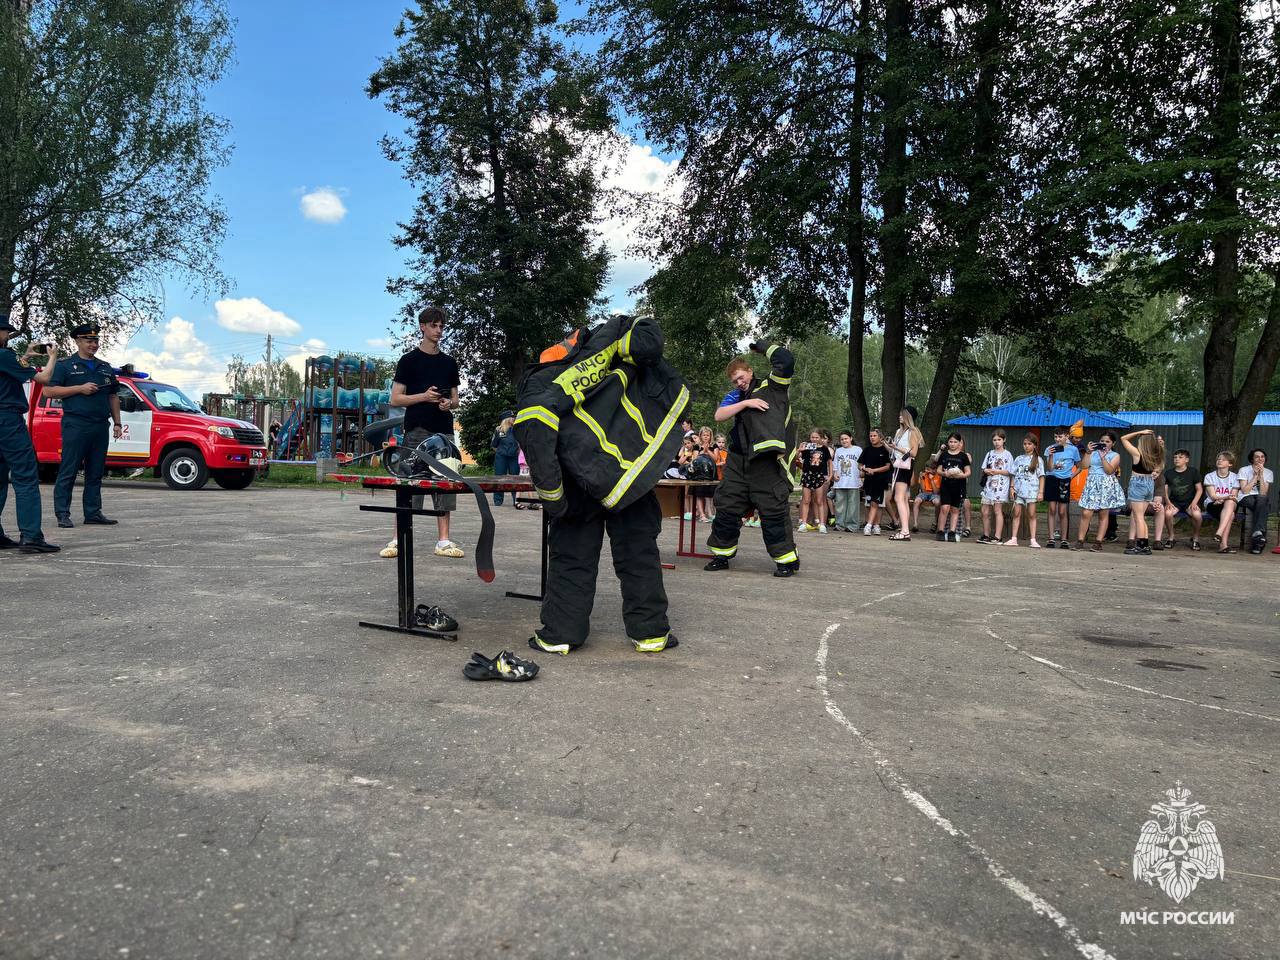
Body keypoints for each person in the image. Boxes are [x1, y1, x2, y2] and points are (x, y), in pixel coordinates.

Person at [516, 313, 687, 654]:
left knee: (572, 557)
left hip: (578, 481)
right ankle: (650, 634)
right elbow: (649, 341)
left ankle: (560, 635)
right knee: (637, 553)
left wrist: (554, 498)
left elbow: (535, 435)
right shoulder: (610, 349)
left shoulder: (541, 379)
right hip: (628, 476)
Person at [704, 342, 799, 577]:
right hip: (738, 461)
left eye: (740, 377)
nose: (739, 382)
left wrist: (764, 347)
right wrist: (745, 402)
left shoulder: (772, 386)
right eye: (735, 381)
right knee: (726, 505)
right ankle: (721, 555)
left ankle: (786, 560)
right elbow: (719, 415)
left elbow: (785, 361)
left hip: (764, 462)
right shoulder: (735, 396)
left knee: (773, 510)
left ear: (749, 371)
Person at [387, 306, 463, 559]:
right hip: (416, 430)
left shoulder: (449, 363)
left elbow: (456, 400)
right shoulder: (409, 361)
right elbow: (396, 399)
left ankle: (443, 541)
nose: (439, 330)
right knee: (409, 483)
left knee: (445, 485)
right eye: (434, 325)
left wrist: (446, 404)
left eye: (442, 326)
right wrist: (424, 396)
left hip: (444, 432)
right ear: (422, 326)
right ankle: (399, 539)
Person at [41, 323, 121, 528]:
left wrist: (117, 423)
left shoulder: (105, 367)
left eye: (95, 341)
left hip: (100, 425)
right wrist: (79, 388)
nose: (93, 344)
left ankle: (93, 512)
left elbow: (113, 396)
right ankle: (62, 514)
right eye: (88, 341)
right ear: (77, 341)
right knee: (69, 470)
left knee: (95, 472)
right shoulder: (65, 365)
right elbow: (48, 392)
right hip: (76, 424)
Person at [0, 315, 60, 553]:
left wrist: (24, 356)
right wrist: (52, 356)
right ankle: (31, 536)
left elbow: (9, 372)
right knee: (25, 475)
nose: (7, 336)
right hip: (7, 420)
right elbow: (44, 379)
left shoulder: (9, 358)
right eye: (5, 332)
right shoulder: (5, 355)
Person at [1072, 431, 1125, 552]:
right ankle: (1080, 541)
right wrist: (1088, 452)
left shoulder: (1115, 455)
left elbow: (1109, 471)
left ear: (1113, 443)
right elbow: (1084, 466)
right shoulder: (1093, 453)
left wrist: (1103, 458)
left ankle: (1098, 541)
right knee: (1086, 512)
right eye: (1102, 441)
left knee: (1103, 513)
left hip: (1106, 484)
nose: (1104, 443)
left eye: (1107, 441)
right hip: (1092, 483)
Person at [1119, 429, 1165, 555]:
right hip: (1149, 483)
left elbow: (1123, 438)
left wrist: (1140, 432)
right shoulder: (1156, 455)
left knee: (1138, 517)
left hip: (1138, 483)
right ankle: (1144, 544)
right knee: (1141, 517)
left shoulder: (1137, 454)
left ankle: (1141, 546)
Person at [887, 408, 923, 542]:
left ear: (908, 417)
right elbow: (894, 450)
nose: (899, 417)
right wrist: (888, 444)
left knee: (899, 498)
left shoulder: (913, 432)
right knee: (903, 499)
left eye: (902, 415)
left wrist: (896, 448)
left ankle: (904, 531)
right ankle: (904, 529)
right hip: (898, 465)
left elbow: (913, 453)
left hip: (905, 466)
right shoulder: (898, 431)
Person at [1042, 426, 1081, 548]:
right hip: (1052, 479)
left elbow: (1080, 466)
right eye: (1055, 436)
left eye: (1060, 436)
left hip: (1064, 481)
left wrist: (1071, 477)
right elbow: (1049, 468)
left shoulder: (1073, 450)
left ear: (1067, 437)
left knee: (1062, 511)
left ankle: (1064, 539)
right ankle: (1051, 538)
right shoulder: (1049, 448)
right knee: (1052, 509)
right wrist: (1051, 455)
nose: (1057, 439)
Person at [1004, 433, 1045, 547]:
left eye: (1029, 444)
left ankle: (1033, 539)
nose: (1026, 446)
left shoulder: (1038, 460)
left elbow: (1041, 476)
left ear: (1035, 445)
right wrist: (1012, 488)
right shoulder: (1018, 459)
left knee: (1031, 514)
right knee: (1016, 513)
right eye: (1025, 444)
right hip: (1019, 491)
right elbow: (1014, 474)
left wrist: (1040, 492)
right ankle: (1014, 538)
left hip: (1031, 491)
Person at [1159, 448, 1203, 550]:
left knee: (1197, 515)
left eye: (1180, 457)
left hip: (1190, 502)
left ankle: (1195, 538)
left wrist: (1194, 502)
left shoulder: (1193, 472)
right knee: (1168, 513)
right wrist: (1168, 502)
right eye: (1175, 457)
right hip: (1174, 502)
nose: (1177, 459)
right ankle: (1171, 537)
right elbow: (1164, 490)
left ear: (1187, 460)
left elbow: (1199, 490)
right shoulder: (1169, 473)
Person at [977, 430, 1013, 544]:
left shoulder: (1007, 454)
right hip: (989, 485)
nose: (997, 442)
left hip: (1001, 486)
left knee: (997, 510)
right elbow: (984, 468)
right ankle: (986, 534)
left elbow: (1010, 471)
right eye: (994, 440)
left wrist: (996, 471)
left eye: (999, 440)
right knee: (984, 510)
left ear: (1004, 440)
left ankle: (997, 536)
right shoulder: (989, 453)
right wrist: (987, 471)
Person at [1201, 451, 1240, 555]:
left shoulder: (1235, 477)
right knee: (1231, 514)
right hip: (1213, 504)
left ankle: (1219, 532)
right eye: (1218, 459)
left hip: (1229, 503)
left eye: (1223, 459)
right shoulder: (1209, 476)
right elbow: (1213, 496)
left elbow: (1234, 496)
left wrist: (1225, 498)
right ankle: (1223, 545)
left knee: (1230, 502)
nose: (1219, 461)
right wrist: (1225, 497)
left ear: (1230, 464)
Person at [935, 432, 971, 542]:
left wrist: (961, 475)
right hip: (946, 484)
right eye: (951, 441)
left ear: (959, 443)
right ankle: (940, 531)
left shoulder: (963, 456)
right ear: (948, 442)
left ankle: (952, 531)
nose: (953, 444)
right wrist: (944, 474)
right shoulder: (944, 455)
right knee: (944, 508)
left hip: (959, 486)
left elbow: (968, 472)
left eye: (955, 442)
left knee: (955, 509)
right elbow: (938, 470)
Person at [1236, 448, 1272, 554]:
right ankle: (1258, 543)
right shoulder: (1244, 470)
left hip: (1260, 498)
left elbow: (1263, 493)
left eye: (1262, 457)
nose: (1260, 459)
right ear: (1252, 459)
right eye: (1257, 457)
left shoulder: (1269, 472)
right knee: (1264, 507)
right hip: (1245, 497)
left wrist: (1261, 475)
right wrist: (1255, 476)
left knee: (1262, 500)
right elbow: (1245, 490)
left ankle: (1257, 535)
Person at [797, 429, 832, 534]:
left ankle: (822, 524)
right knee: (806, 500)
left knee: (819, 500)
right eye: (812, 437)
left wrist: (830, 476)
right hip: (807, 475)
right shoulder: (807, 448)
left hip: (819, 476)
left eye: (817, 437)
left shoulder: (825, 449)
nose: (814, 439)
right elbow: (796, 459)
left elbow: (830, 462)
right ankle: (803, 523)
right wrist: (799, 450)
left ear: (821, 438)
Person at [859, 428, 892, 535]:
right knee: (869, 504)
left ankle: (869, 526)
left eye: (874, 436)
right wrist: (865, 469)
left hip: (880, 481)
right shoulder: (867, 450)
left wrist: (874, 470)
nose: (872, 438)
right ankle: (875, 525)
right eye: (870, 436)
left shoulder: (885, 450)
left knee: (876, 503)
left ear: (880, 437)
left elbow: (888, 466)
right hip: (868, 481)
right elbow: (859, 464)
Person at [831, 430, 863, 532]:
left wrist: (862, 474)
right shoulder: (839, 450)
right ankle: (840, 524)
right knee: (840, 504)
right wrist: (834, 473)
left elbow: (862, 464)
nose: (844, 441)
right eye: (842, 439)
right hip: (841, 481)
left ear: (851, 439)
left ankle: (852, 525)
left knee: (853, 504)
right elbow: (835, 464)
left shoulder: (857, 449)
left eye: (846, 438)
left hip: (853, 480)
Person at [490, 411, 521, 506]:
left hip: (514, 457)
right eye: (512, 417)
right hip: (501, 457)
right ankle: (498, 501)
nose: (514, 419)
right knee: (499, 478)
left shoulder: (517, 429)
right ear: (507, 419)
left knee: (515, 478)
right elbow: (494, 445)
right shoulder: (499, 430)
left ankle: (516, 500)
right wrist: (501, 452)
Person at [910, 461, 940, 533]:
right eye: (926, 469)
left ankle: (935, 523)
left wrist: (931, 479)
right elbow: (923, 490)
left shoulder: (939, 476)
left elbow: (936, 491)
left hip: (934, 494)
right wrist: (921, 478)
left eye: (928, 469)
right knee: (916, 501)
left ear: (934, 470)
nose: (926, 471)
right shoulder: (924, 475)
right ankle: (915, 524)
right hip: (924, 493)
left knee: (937, 503)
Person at [695, 426, 718, 521]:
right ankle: (701, 515)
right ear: (700, 436)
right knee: (699, 494)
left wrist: (707, 450)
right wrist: (702, 451)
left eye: (707, 435)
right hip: (700, 473)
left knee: (710, 494)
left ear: (710, 436)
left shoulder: (714, 446)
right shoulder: (696, 446)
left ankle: (709, 513)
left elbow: (716, 458)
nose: (706, 437)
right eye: (704, 435)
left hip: (711, 472)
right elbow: (695, 458)